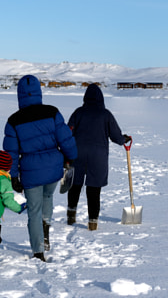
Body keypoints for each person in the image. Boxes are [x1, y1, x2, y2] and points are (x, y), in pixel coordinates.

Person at [3, 75, 78, 262]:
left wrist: (13, 176)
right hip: (53, 168)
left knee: (33, 210)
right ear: (39, 92)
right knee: (48, 197)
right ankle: (46, 229)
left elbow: (11, 152)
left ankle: (38, 251)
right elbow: (65, 139)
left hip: (30, 172)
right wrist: (71, 157)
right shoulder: (52, 112)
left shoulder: (14, 120)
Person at [65, 84, 132, 231]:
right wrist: (123, 139)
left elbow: (68, 132)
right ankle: (93, 222)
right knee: (94, 189)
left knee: (75, 185)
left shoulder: (78, 112)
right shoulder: (105, 114)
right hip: (98, 156)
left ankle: (71, 215)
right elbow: (115, 136)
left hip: (78, 153)